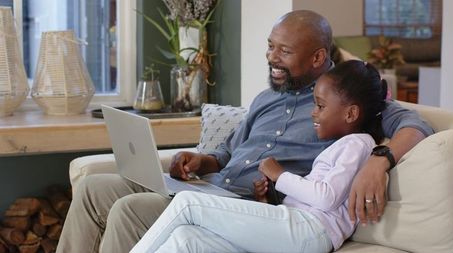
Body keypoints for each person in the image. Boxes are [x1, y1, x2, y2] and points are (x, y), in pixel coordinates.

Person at [57, 10, 433, 253]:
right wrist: (203, 160)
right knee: (93, 187)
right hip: (210, 185)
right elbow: (229, 149)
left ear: (318, 57)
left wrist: (379, 161)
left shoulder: (347, 102)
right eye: (270, 47)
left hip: (245, 208)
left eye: (283, 51)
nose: (271, 57)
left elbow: (417, 125)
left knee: (128, 210)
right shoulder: (266, 99)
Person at [131, 60, 391, 253]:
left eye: (320, 106)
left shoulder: (358, 143)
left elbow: (326, 197)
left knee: (188, 203)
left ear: (350, 114)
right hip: (298, 229)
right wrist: (266, 201)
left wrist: (280, 175)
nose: (313, 113)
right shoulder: (343, 144)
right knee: (185, 239)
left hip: (312, 231)